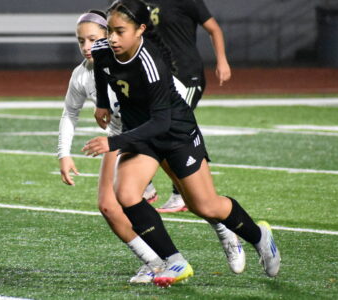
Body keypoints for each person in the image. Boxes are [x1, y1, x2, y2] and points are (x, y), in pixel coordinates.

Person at [82, 0, 280, 287]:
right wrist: (102, 104)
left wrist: (114, 142)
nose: (111, 37)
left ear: (140, 30)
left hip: (176, 133)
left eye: (120, 31)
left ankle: (260, 237)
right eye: (109, 30)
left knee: (206, 206)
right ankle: (175, 261)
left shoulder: (151, 63)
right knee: (125, 193)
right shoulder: (104, 50)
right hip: (142, 133)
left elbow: (161, 123)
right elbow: (102, 70)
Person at [58, 10, 244, 283]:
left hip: (160, 134)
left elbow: (173, 96)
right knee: (109, 206)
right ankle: (156, 262)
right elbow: (69, 113)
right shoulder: (82, 75)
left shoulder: (136, 61)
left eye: (94, 39)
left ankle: (225, 229)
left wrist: (181, 134)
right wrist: (64, 154)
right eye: (80, 41)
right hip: (121, 136)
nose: (87, 46)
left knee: (194, 199)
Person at [145, 0, 232, 213]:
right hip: (159, 74)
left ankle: (179, 194)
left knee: (176, 125)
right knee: (148, 121)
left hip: (186, 74)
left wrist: (221, 60)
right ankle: (147, 185)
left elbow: (214, 29)